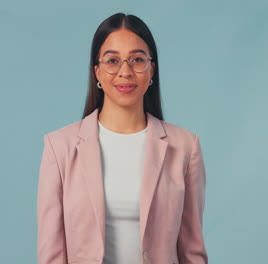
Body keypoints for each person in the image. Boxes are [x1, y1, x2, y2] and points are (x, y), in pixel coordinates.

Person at [37, 13, 208, 264]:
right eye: (112, 60)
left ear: (151, 69)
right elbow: (50, 254)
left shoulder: (185, 147)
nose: (125, 72)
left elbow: (192, 252)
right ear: (97, 71)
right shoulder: (59, 147)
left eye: (137, 59)